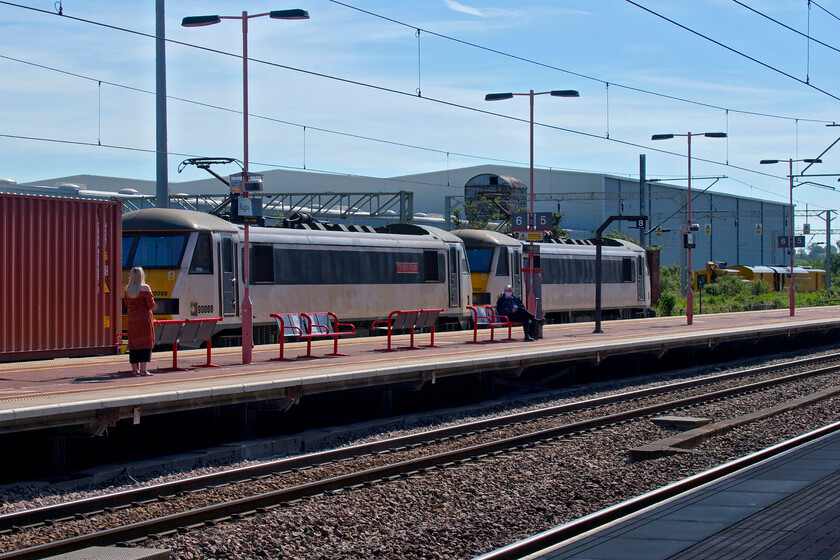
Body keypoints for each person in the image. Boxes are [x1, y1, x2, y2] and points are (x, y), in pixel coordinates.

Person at [124, 266, 155, 376]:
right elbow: (150, 304)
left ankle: (134, 369)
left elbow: (127, 304)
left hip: (132, 319)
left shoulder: (128, 289)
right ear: (142, 276)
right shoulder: (145, 288)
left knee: (133, 343)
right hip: (144, 320)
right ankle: (143, 369)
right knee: (146, 343)